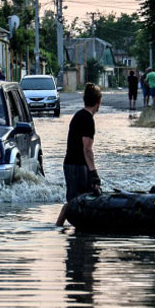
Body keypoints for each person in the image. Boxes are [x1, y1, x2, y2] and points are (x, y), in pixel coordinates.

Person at [56, 83, 103, 226]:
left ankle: (61, 227)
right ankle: (59, 227)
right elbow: (87, 149)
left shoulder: (79, 115)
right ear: (98, 102)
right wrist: (94, 173)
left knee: (75, 200)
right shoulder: (87, 119)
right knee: (76, 201)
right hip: (77, 166)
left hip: (72, 164)